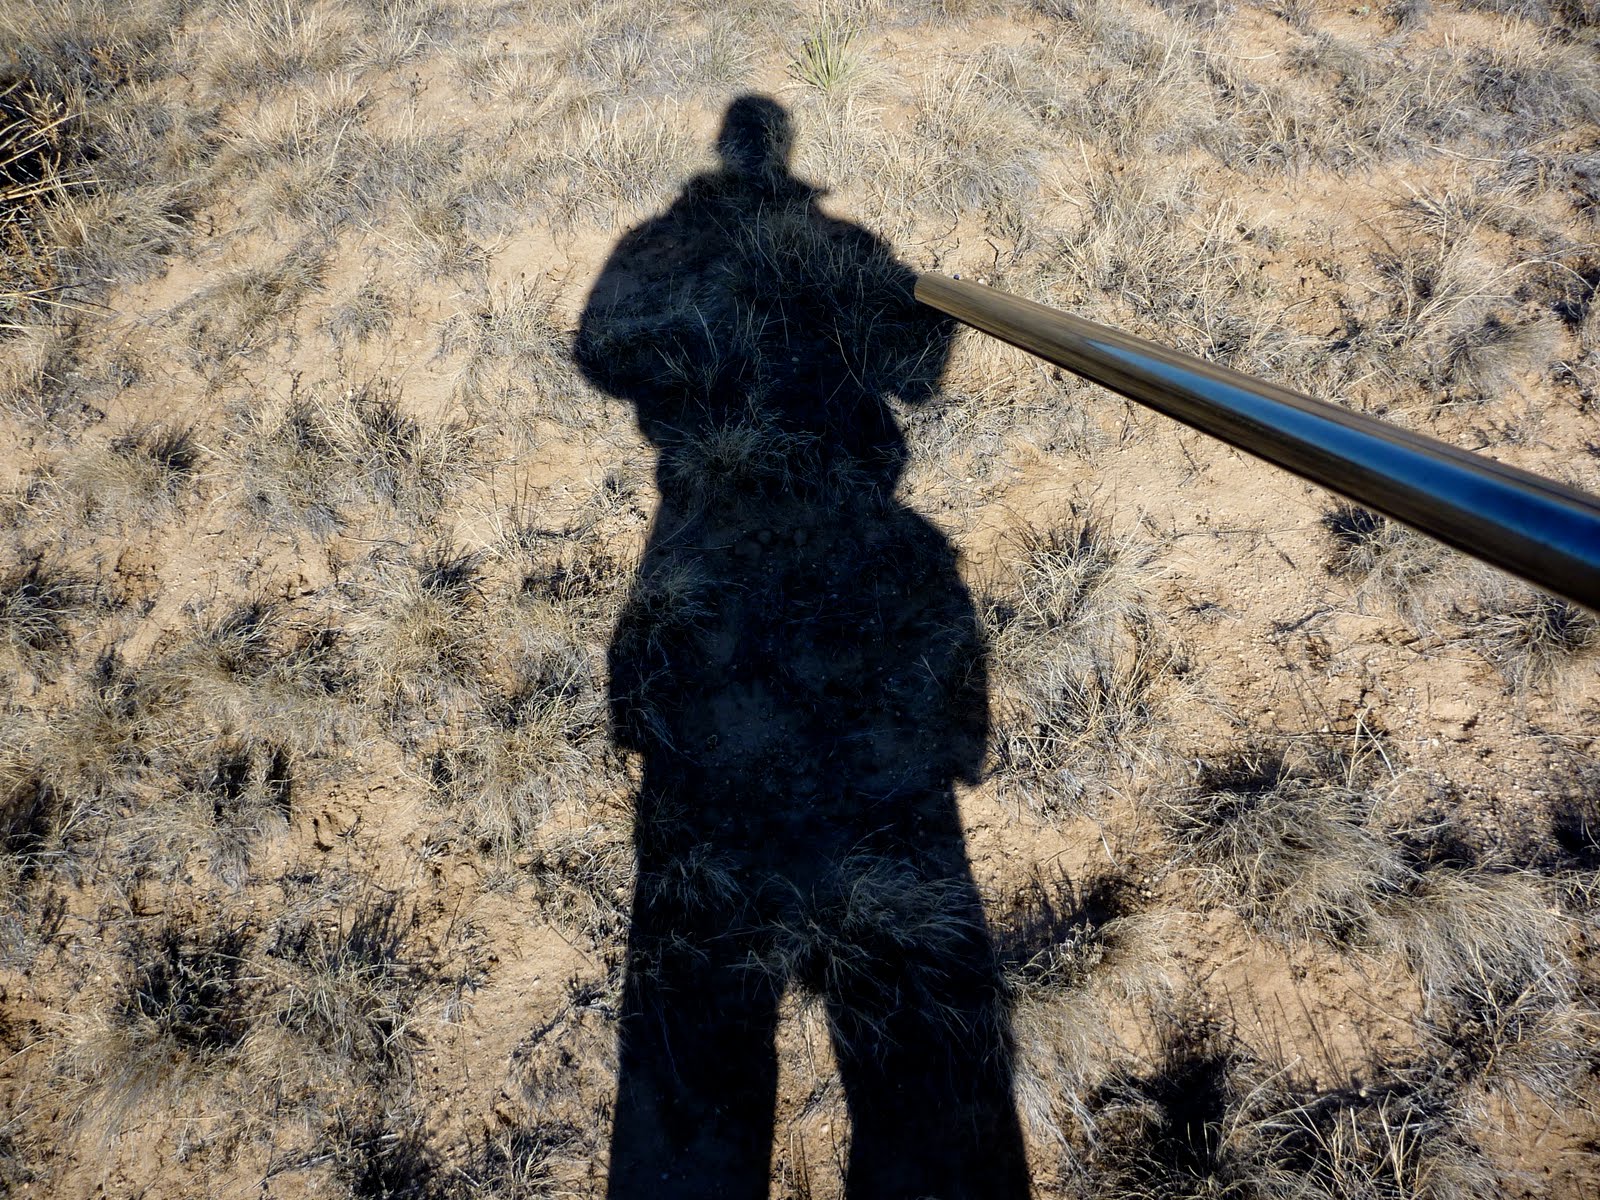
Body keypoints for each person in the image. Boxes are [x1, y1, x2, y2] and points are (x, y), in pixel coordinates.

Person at [574, 94, 1029, 1200]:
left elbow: (601, 353)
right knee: (917, 1028)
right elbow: (919, 369)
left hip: (710, 553)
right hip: (853, 567)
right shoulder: (844, 243)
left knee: (692, 997)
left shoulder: (663, 240)